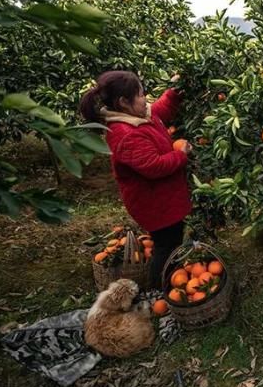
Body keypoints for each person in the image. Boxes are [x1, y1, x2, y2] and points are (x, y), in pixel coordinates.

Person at [80, 70, 192, 290]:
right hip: (155, 204)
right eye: (140, 94)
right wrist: (181, 155)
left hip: (163, 197)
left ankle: (170, 278)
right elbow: (154, 166)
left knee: (172, 241)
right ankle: (162, 290)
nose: (145, 97)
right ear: (123, 102)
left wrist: (174, 91)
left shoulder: (137, 116)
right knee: (165, 246)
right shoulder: (124, 133)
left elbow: (160, 110)